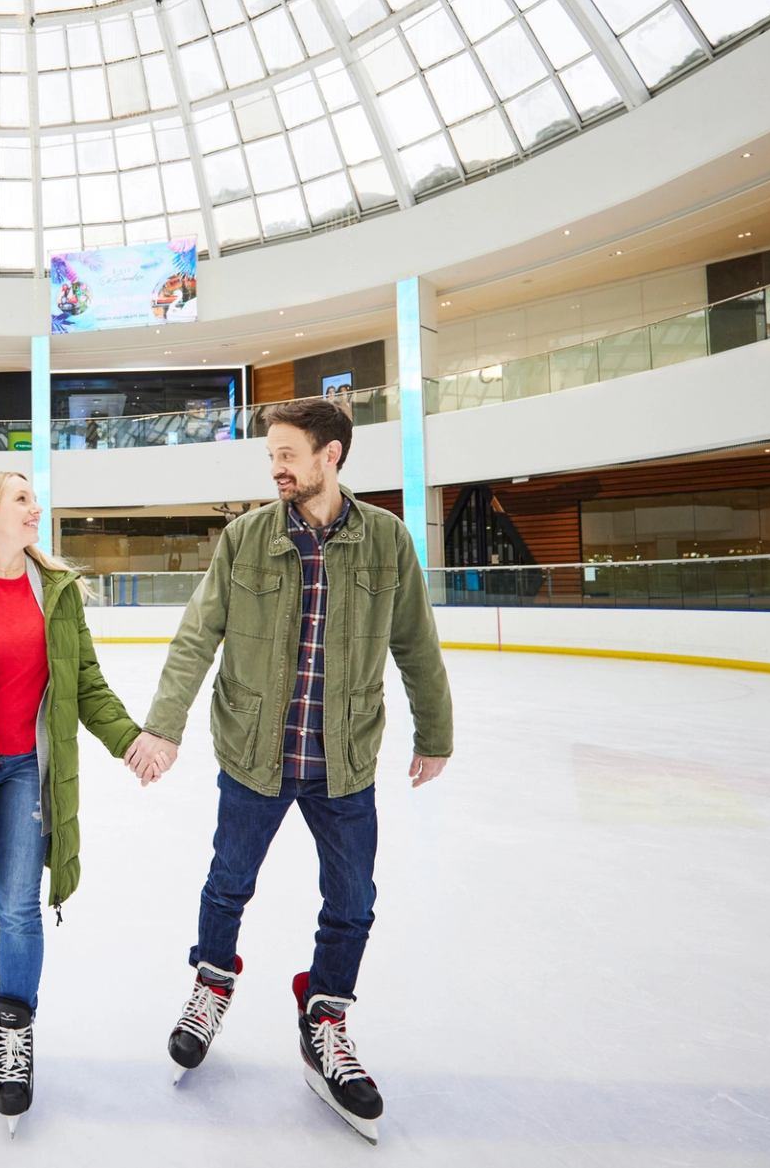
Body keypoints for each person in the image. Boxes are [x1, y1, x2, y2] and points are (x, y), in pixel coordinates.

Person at [134, 397, 454, 1144]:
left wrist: (435, 732)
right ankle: (211, 986)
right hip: (254, 757)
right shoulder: (246, 537)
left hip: (341, 761)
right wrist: (165, 724)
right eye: (270, 455)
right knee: (228, 883)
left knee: (352, 904)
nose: (276, 467)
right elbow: (196, 635)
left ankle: (327, 1018)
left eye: (287, 454)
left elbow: (417, 643)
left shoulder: (387, 542)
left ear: (330, 456)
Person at [0, 469, 170, 1133]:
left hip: (28, 770)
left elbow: (86, 684)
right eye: (22, 498)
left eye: (34, 498)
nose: (35, 507)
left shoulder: (59, 592)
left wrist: (131, 740)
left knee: (20, 906)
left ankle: (14, 1037)